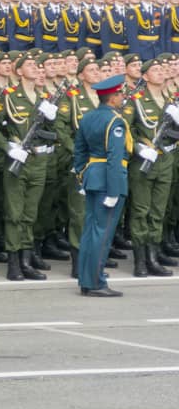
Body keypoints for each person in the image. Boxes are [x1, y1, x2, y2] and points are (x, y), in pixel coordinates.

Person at [73, 74, 130, 297]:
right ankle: (96, 282)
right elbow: (115, 157)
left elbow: (79, 151)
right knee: (102, 234)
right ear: (113, 98)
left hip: (93, 178)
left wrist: (81, 177)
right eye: (120, 94)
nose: (123, 97)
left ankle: (86, 280)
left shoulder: (88, 117)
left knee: (90, 232)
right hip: (108, 181)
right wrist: (114, 190)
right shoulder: (115, 121)